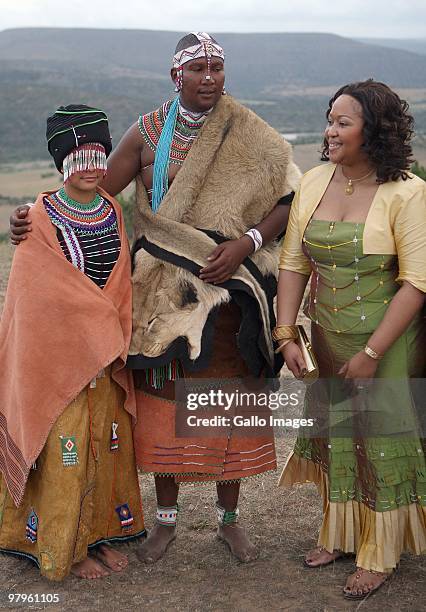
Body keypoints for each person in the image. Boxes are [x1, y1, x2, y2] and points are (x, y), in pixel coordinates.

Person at [10, 32, 300, 563]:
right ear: (176, 77)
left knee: (225, 411)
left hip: (228, 295)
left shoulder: (249, 132)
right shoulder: (146, 135)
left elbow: (287, 198)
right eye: (198, 69)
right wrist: (34, 216)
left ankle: (230, 522)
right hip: (162, 301)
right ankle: (164, 524)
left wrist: (245, 244)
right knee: (166, 409)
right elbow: (92, 190)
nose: (209, 76)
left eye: (217, 67)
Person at [275, 79, 426, 599]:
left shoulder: (406, 192)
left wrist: (371, 353)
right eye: (329, 119)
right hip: (325, 337)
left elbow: (416, 284)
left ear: (375, 132)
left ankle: (380, 553)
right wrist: (287, 332)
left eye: (343, 123)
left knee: (380, 441)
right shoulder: (315, 181)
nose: (330, 131)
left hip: (384, 344)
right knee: (338, 433)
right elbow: (293, 262)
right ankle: (340, 534)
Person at [0, 105, 145, 581]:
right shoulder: (40, 216)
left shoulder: (111, 209)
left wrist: (107, 326)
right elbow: (34, 294)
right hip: (61, 358)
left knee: (105, 442)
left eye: (97, 156)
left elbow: (119, 282)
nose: (89, 167)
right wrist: (84, 323)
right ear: (61, 162)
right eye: (78, 158)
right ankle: (71, 545)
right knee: (67, 447)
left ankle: (100, 535)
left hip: (103, 355)